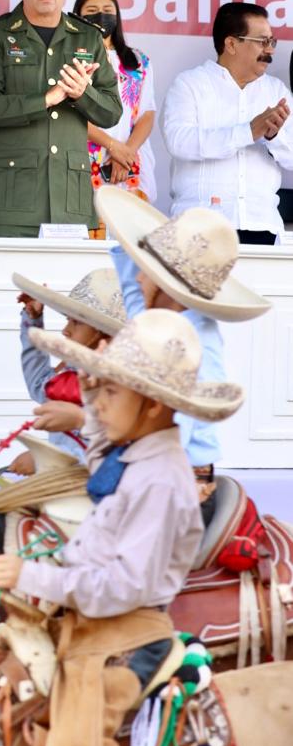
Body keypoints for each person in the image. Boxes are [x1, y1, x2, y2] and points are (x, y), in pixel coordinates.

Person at [0, 308, 244, 746]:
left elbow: (123, 586)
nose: (98, 404)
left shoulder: (161, 481)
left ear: (152, 405)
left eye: (110, 392)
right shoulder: (133, 456)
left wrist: (32, 578)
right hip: (92, 625)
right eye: (99, 389)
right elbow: (99, 445)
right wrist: (90, 391)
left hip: (127, 634)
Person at [95, 185, 270, 510]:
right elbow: (135, 299)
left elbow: (185, 417)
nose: (138, 279)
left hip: (182, 476)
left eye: (145, 271)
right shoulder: (161, 318)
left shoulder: (196, 340)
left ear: (167, 285)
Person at [0, 0, 121, 237]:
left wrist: (82, 94)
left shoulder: (88, 37)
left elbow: (112, 112)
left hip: (70, 202)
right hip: (10, 203)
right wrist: (46, 99)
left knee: (68, 273)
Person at [162, 1, 293, 244]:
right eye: (262, 41)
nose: (270, 50)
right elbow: (179, 142)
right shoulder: (190, 84)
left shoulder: (277, 92)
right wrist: (248, 132)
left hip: (262, 224)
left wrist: (273, 137)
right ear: (231, 44)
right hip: (200, 227)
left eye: (272, 41)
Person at [10, 267, 126, 472]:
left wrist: (44, 458)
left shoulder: (119, 385)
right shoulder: (73, 372)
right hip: (63, 478)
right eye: (68, 320)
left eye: (76, 322)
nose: (66, 330)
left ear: (104, 333)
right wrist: (32, 321)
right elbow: (39, 385)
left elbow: (116, 446)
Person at [73, 0, 157, 218]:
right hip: (85, 163)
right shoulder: (72, 58)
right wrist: (113, 146)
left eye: (108, 10)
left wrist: (126, 152)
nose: (101, 15)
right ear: (78, 16)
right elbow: (71, 114)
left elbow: (147, 113)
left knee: (129, 232)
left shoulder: (138, 60)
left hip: (129, 165)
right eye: (92, 10)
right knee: (90, 232)